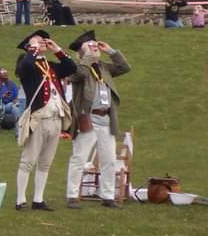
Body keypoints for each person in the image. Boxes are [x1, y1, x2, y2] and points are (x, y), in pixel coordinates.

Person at [65, 31, 131, 210]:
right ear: (81, 51)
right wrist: (86, 56)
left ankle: (108, 196)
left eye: (95, 45)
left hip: (106, 119)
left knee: (109, 159)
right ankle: (72, 195)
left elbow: (125, 68)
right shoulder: (78, 67)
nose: (95, 47)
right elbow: (78, 75)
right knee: (79, 157)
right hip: (88, 118)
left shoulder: (104, 67)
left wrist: (111, 51)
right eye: (90, 45)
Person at [14, 30, 76, 211]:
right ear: (29, 46)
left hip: (56, 118)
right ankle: (20, 200)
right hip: (39, 118)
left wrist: (57, 49)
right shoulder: (27, 65)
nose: (42, 43)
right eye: (37, 41)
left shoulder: (51, 66)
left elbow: (71, 67)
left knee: (46, 162)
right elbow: (25, 65)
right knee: (28, 161)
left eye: (43, 41)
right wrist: (32, 49)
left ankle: (38, 199)